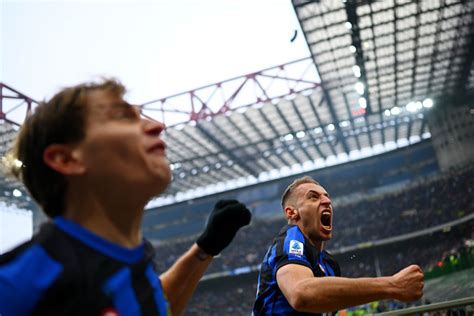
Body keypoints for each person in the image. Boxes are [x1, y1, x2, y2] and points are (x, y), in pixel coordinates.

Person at [0, 79, 251, 316]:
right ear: (66, 159)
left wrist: (204, 250)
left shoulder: (134, 260)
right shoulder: (19, 281)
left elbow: (154, 306)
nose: (156, 125)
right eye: (122, 117)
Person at [253, 176, 424, 315]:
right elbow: (301, 294)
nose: (326, 201)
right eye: (313, 197)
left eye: (326, 196)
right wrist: (392, 285)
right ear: (291, 212)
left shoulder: (329, 264)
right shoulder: (291, 239)